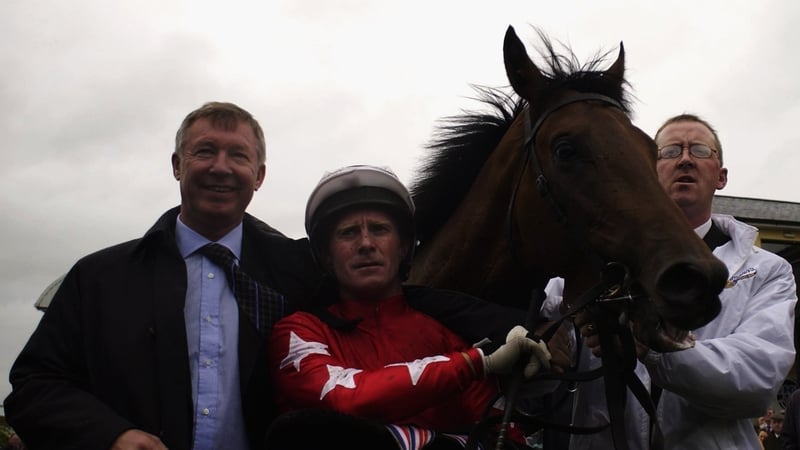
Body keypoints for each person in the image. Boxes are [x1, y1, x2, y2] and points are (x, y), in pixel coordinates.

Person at [3, 102, 321, 450]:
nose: (220, 167)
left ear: (258, 175)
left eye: (238, 156)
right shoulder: (97, 279)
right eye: (205, 151)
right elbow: (34, 385)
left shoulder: (301, 276)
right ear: (176, 165)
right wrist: (110, 435)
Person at [544, 113, 798, 449]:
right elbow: (543, 358)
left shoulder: (768, 270)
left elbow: (757, 380)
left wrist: (653, 351)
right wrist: (547, 343)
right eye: (670, 152)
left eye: (701, 151)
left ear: (721, 177)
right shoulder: (593, 265)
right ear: (649, 172)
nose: (686, 160)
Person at [266, 165, 553, 449]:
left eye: (379, 229)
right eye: (348, 233)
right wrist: (476, 363)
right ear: (326, 256)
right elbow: (344, 400)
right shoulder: (297, 332)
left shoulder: (448, 336)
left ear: (403, 247)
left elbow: (506, 440)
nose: (366, 243)